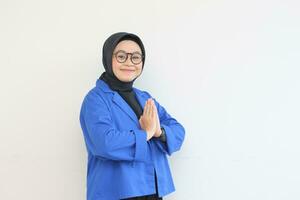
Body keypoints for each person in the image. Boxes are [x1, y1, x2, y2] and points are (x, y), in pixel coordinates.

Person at [79, 32, 185, 200]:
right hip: (117, 192)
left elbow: (178, 130)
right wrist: (147, 134)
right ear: (108, 58)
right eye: (121, 56)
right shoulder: (95, 99)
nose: (129, 62)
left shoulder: (144, 98)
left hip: (152, 190)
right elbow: (105, 143)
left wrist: (159, 132)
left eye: (136, 57)